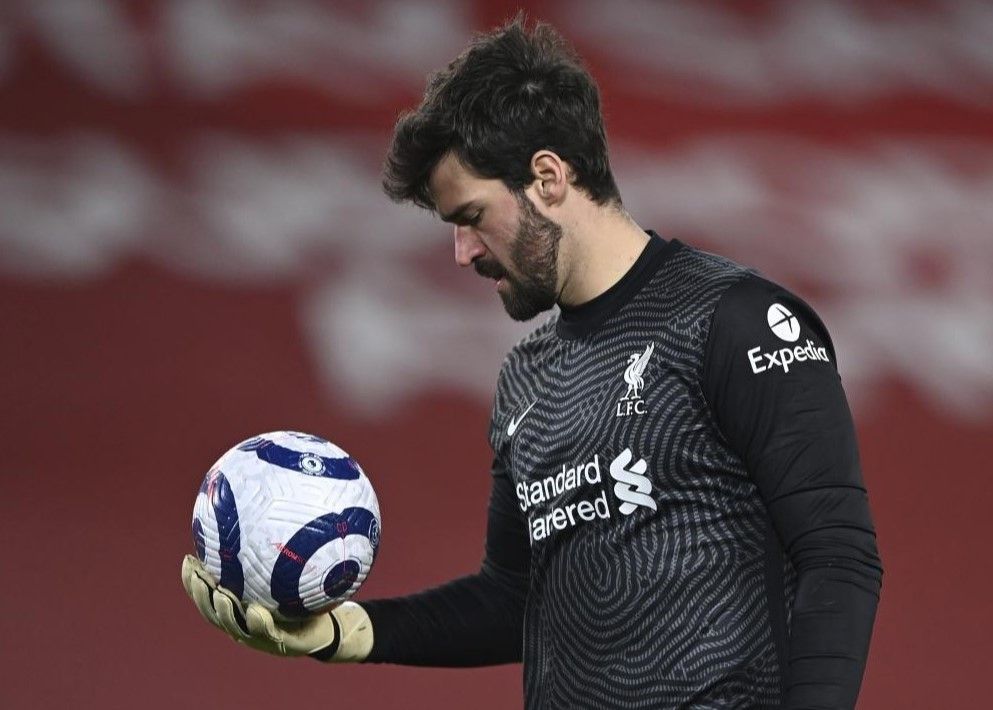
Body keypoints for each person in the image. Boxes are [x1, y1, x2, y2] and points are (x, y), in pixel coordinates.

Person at [182, 15, 882, 709]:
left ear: (547, 177)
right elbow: (513, 597)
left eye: (471, 216)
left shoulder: (736, 319)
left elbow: (837, 555)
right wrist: (343, 632)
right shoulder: (526, 377)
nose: (463, 253)